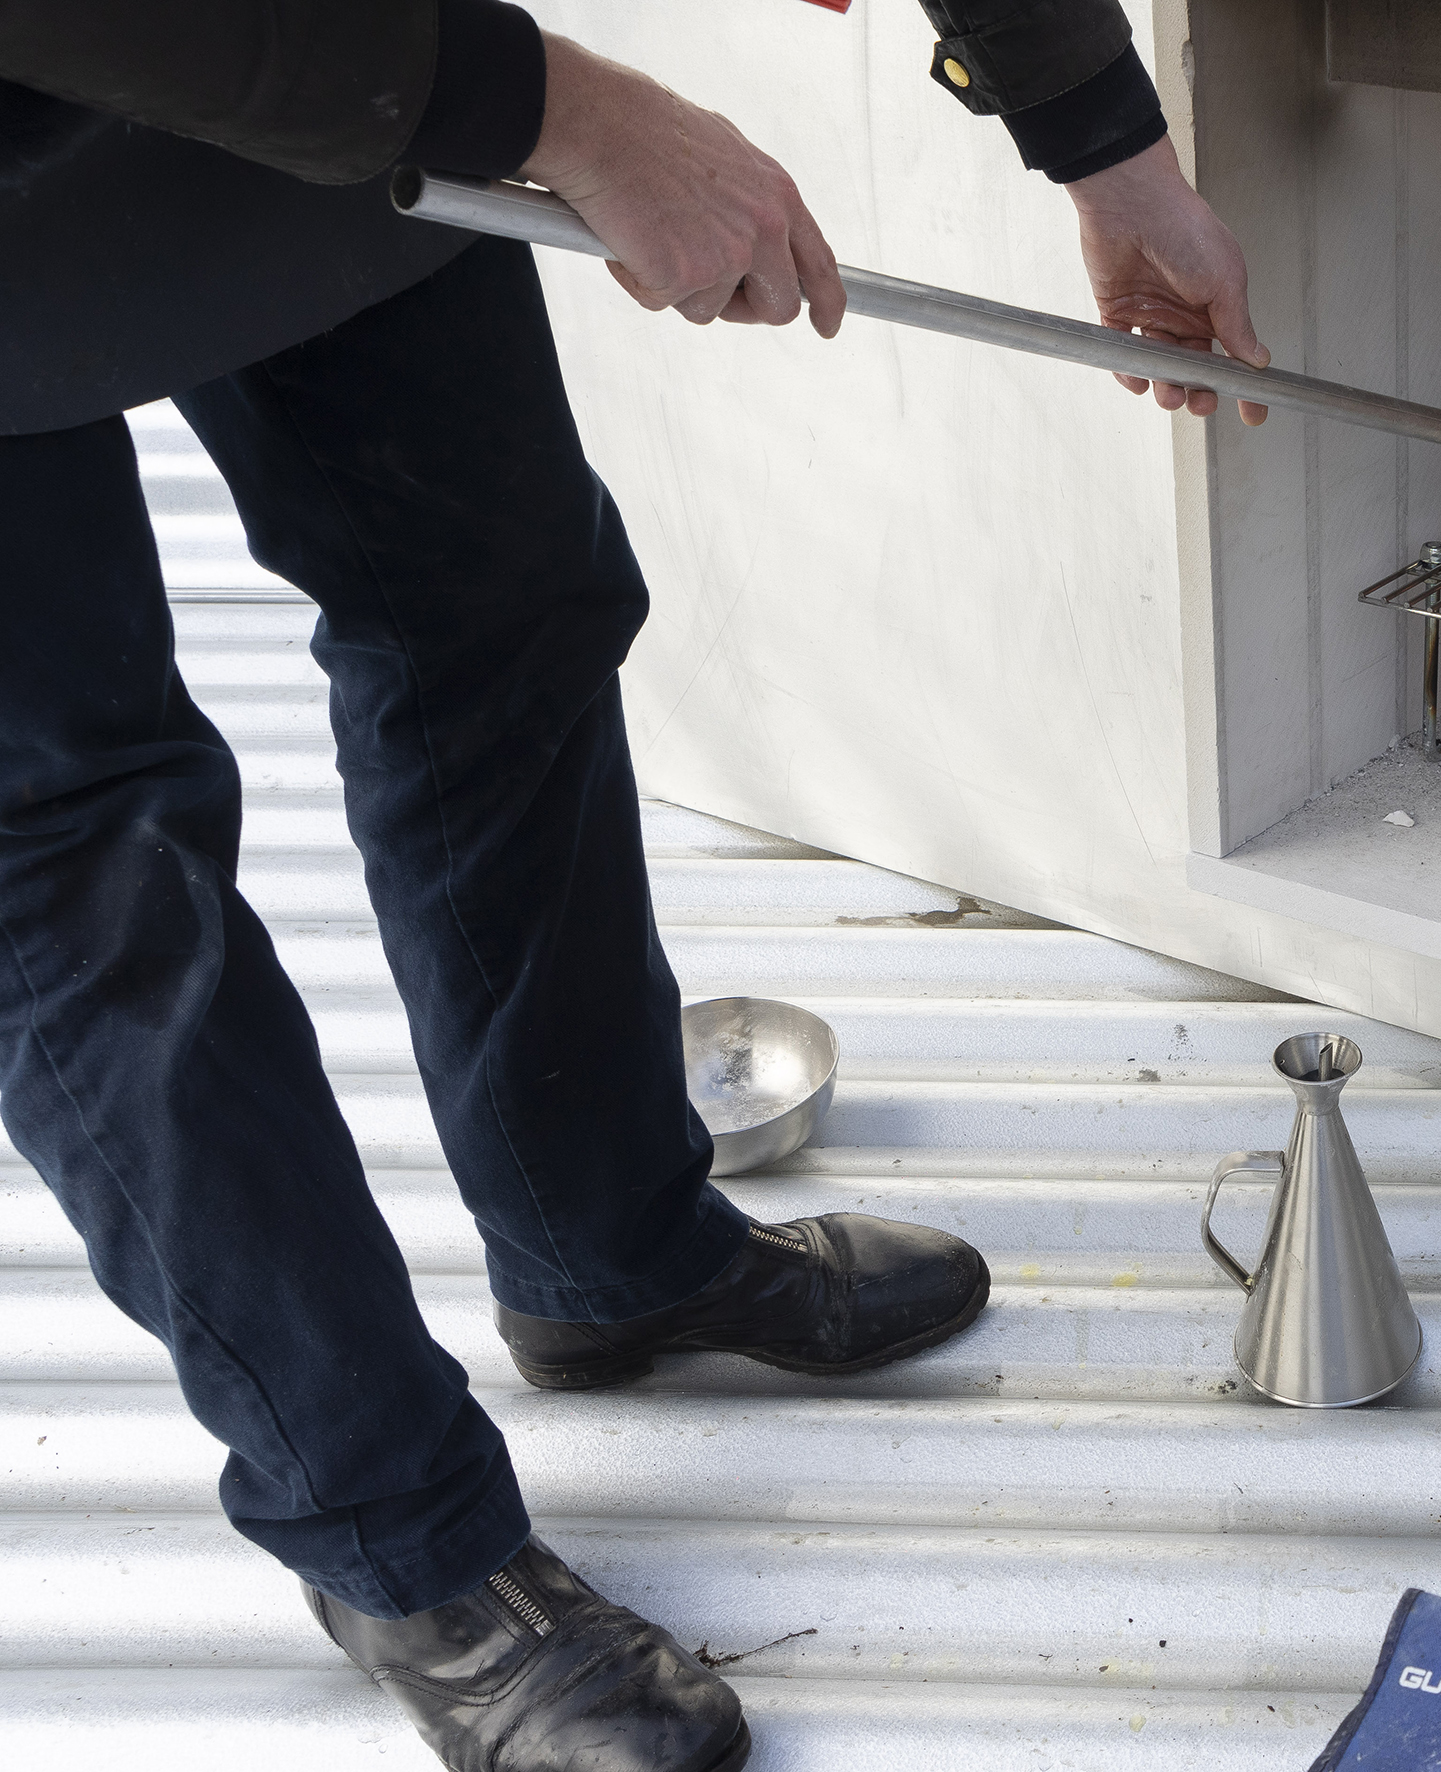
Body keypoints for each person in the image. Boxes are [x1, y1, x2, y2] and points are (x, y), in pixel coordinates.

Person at [0, 5, 1268, 1769]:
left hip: (327, 64)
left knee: (500, 605)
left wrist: (1100, 138)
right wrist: (564, 110)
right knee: (81, 856)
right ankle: (393, 1534)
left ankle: (606, 1252)